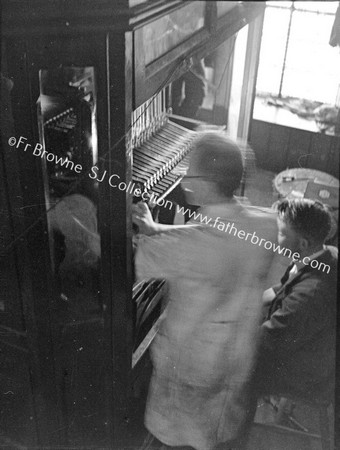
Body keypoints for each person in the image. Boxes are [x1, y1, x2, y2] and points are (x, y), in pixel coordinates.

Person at [132, 132, 277, 450]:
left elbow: (140, 263)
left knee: (180, 438)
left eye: (189, 171)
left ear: (206, 183)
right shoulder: (265, 226)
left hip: (191, 371)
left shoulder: (185, 247)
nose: (183, 178)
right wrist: (156, 228)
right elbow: (214, 233)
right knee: (216, 434)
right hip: (234, 364)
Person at [254, 199, 337, 401]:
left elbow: (266, 343)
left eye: (281, 233)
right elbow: (280, 289)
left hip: (304, 375)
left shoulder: (310, 293)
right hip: (306, 345)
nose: (275, 237)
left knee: (225, 367)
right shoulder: (323, 254)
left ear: (303, 243)